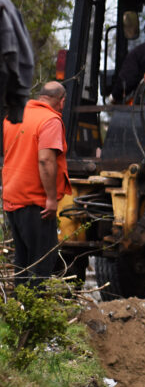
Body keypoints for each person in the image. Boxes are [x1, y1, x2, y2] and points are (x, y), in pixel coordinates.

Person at [1, 81, 71, 287]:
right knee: (41, 263)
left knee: (22, 262)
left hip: (13, 198)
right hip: (35, 201)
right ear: (62, 101)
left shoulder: (13, 117)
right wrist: (50, 199)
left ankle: (20, 311)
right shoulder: (50, 120)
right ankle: (34, 314)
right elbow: (45, 160)